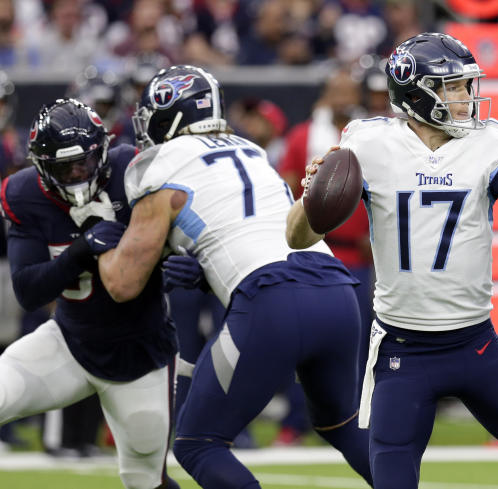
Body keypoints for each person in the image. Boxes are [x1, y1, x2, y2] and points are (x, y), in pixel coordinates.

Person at [287, 32, 498, 489]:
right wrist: (312, 199)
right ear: (416, 92)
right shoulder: (368, 145)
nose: (466, 97)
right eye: (452, 87)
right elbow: (297, 238)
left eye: (467, 86)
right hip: (403, 351)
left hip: (476, 344)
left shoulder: (489, 145)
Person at [95, 65, 372, 489]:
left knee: (196, 443)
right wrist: (203, 271)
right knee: (343, 426)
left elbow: (123, 283)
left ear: (167, 116)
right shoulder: (250, 151)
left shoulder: (160, 165)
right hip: (336, 290)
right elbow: (251, 231)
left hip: (274, 302)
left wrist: (90, 237)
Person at [0, 99, 179, 488]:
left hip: (139, 359)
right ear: (42, 167)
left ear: (102, 150)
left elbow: (184, 233)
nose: (78, 175)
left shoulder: (134, 170)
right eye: (64, 168)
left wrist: (189, 263)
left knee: (145, 481)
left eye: (84, 162)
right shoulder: (24, 193)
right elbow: (28, 291)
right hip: (68, 344)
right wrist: (80, 252)